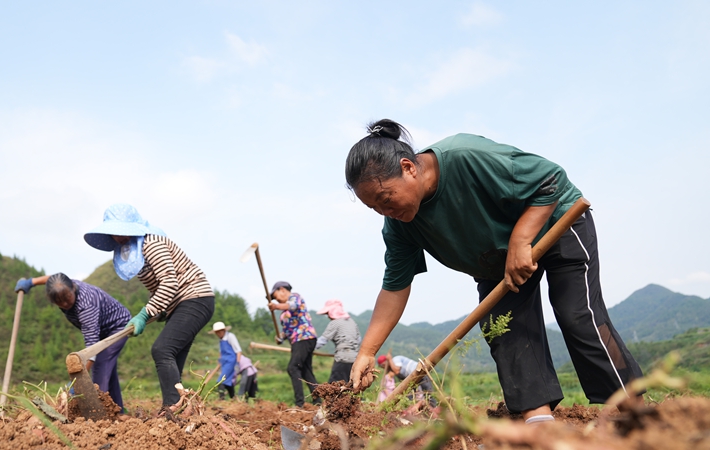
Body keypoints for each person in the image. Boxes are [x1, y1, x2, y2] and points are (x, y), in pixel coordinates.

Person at [345, 119, 643, 425]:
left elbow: (550, 179)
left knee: (577, 315)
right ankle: (538, 422)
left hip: (555, 223)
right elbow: (395, 286)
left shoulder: (466, 156)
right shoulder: (399, 226)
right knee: (504, 328)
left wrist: (521, 239)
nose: (385, 211)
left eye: (385, 198)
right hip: (495, 262)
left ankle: (635, 409)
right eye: (375, 208)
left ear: (408, 168)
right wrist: (368, 351)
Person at [84, 203, 215, 412]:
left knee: (162, 349)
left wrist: (145, 314)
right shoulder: (134, 252)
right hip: (180, 304)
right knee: (172, 358)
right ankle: (177, 408)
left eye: (121, 230)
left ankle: (172, 409)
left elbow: (170, 282)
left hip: (194, 298)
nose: (118, 236)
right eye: (113, 232)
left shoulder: (151, 243)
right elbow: (159, 291)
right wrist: (147, 317)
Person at [14, 273, 131, 411]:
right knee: (108, 370)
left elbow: (91, 349)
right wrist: (31, 282)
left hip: (117, 326)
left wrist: (77, 380)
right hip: (101, 328)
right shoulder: (63, 284)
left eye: (67, 298)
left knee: (101, 364)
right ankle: (118, 410)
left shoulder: (86, 307)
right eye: (59, 301)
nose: (65, 304)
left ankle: (99, 413)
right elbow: (52, 279)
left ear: (73, 288)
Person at [268, 281, 320, 407]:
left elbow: (293, 305)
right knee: (306, 371)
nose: (277, 300)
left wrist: (276, 307)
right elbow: (287, 331)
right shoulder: (283, 313)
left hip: (304, 337)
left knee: (293, 367)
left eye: (276, 296)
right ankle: (318, 401)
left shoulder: (295, 297)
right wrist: (280, 338)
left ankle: (299, 403)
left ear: (282, 290)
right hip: (297, 340)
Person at [315, 299, 361, 383]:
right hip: (355, 359)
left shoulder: (335, 323)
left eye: (328, 313)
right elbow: (358, 340)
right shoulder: (352, 322)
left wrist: (306, 347)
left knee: (335, 387)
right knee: (352, 386)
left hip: (343, 358)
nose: (328, 316)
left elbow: (322, 341)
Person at [211, 321, 242, 400]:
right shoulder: (221, 340)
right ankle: (233, 398)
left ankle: (221, 400)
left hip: (230, 362)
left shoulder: (230, 336)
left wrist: (237, 363)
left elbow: (238, 351)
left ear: (223, 330)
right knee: (228, 382)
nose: (218, 334)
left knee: (220, 381)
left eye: (219, 332)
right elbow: (221, 352)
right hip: (224, 363)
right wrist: (219, 362)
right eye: (216, 333)